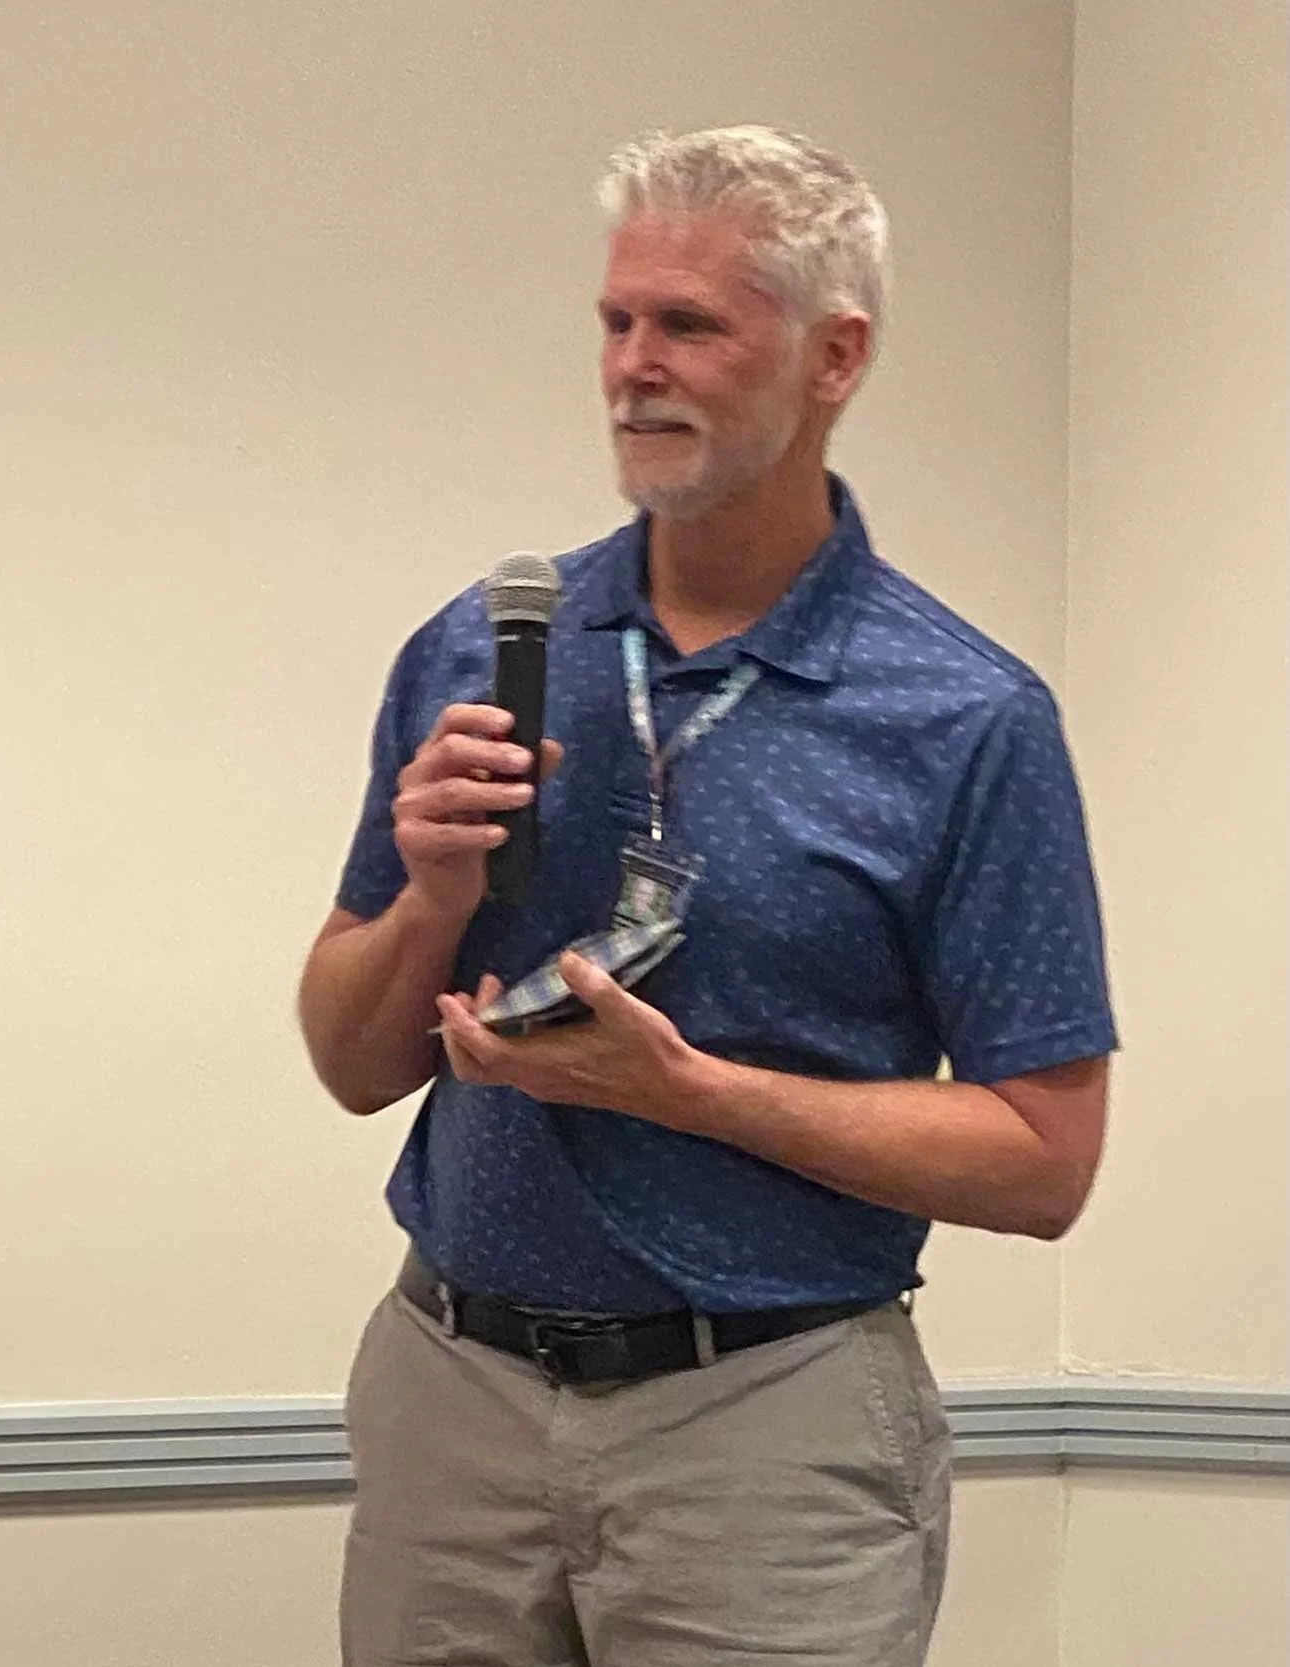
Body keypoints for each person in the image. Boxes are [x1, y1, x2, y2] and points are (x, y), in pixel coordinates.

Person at [298, 126, 1114, 1666]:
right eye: (616, 321)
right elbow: (350, 1062)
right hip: (451, 1388)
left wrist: (692, 1091)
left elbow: (1043, 1157)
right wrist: (423, 899)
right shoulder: (480, 646)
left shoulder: (961, 715)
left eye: (689, 325)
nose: (633, 367)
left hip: (769, 1416)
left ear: (833, 355)